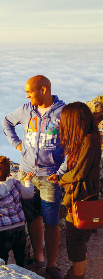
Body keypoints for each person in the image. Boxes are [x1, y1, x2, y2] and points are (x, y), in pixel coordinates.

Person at [2, 75, 66, 278]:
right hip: (27, 172)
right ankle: (39, 259)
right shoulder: (26, 110)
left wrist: (61, 171)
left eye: (30, 92)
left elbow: (73, 144)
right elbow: (6, 122)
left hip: (50, 176)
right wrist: (18, 145)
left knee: (52, 221)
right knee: (33, 218)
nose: (27, 96)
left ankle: (52, 265)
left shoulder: (63, 113)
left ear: (44, 90)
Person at [48, 102, 101, 279]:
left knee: (76, 241)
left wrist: (60, 180)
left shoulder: (89, 140)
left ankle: (77, 275)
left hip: (81, 200)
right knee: (78, 241)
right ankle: (77, 273)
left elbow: (79, 172)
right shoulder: (88, 139)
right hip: (80, 198)